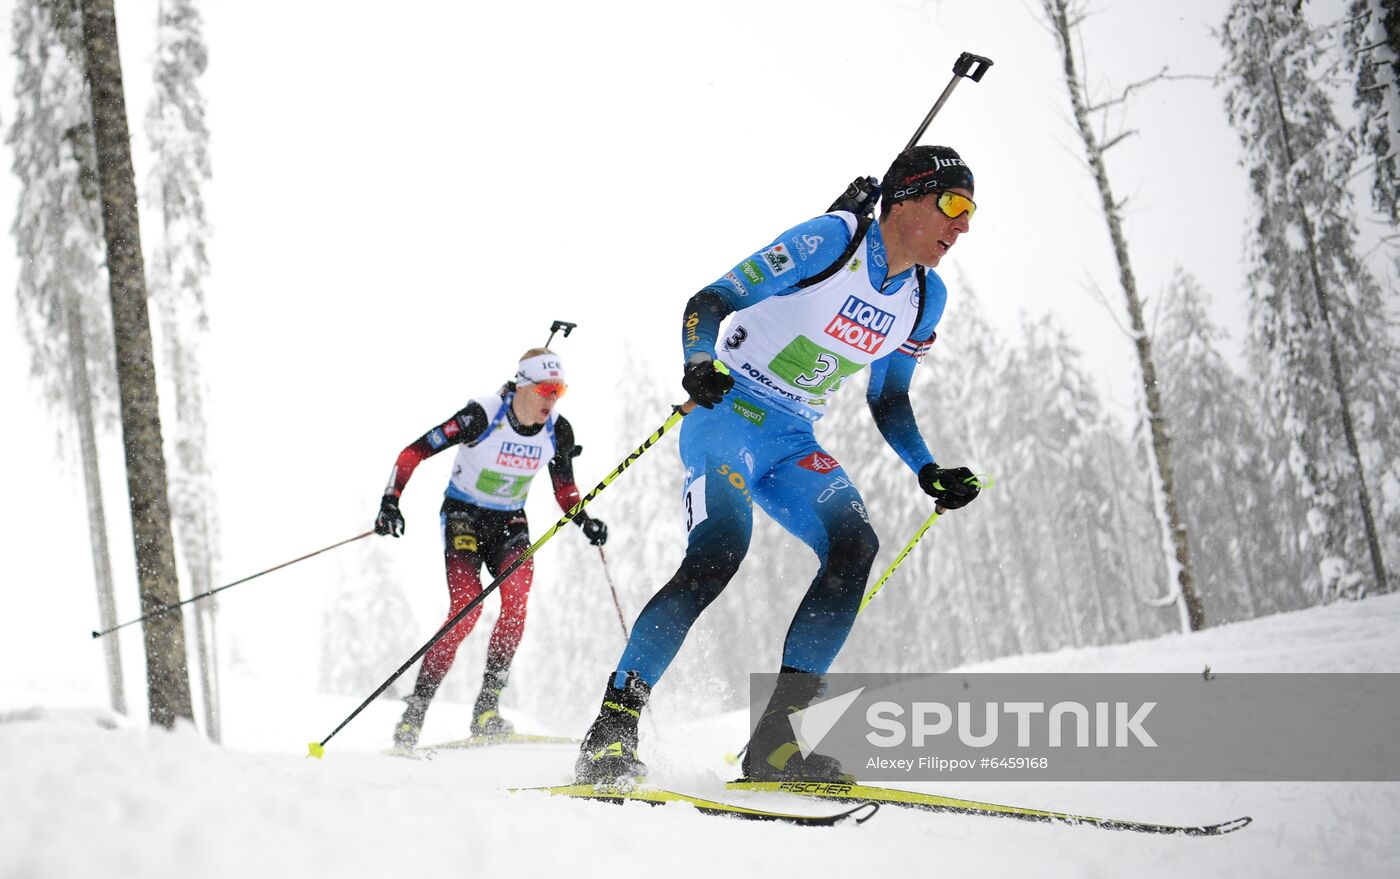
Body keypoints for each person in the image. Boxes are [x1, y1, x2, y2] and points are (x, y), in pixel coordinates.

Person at [574, 145, 983, 785]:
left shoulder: (925, 297)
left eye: (970, 213)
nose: (962, 226)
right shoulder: (833, 240)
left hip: (793, 437)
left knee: (855, 546)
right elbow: (708, 300)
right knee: (718, 553)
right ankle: (612, 729)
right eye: (953, 206)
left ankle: (775, 744)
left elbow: (889, 395)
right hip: (726, 417)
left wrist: (928, 469)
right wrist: (700, 362)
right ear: (904, 198)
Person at [375, 349, 608, 749]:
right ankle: (414, 714)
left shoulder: (558, 431)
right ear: (523, 386)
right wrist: (390, 502)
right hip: (464, 515)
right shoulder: (481, 416)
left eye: (560, 391)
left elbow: (565, 489)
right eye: (546, 390)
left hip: (509, 522)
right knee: (467, 609)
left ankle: (487, 709)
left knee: (516, 602)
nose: (552, 400)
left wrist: (585, 520)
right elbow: (413, 452)